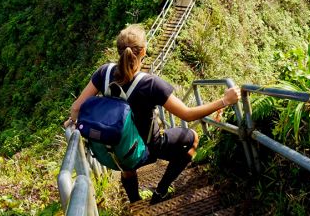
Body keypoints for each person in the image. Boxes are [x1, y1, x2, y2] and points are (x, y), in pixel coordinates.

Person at [65, 25, 241, 204]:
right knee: (193, 138)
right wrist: (224, 101)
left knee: (126, 155)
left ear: (118, 51)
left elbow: (76, 109)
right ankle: (161, 191)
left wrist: (72, 122)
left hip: (114, 151)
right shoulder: (150, 84)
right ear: (144, 51)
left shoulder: (104, 72)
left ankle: (135, 202)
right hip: (149, 149)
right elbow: (187, 115)